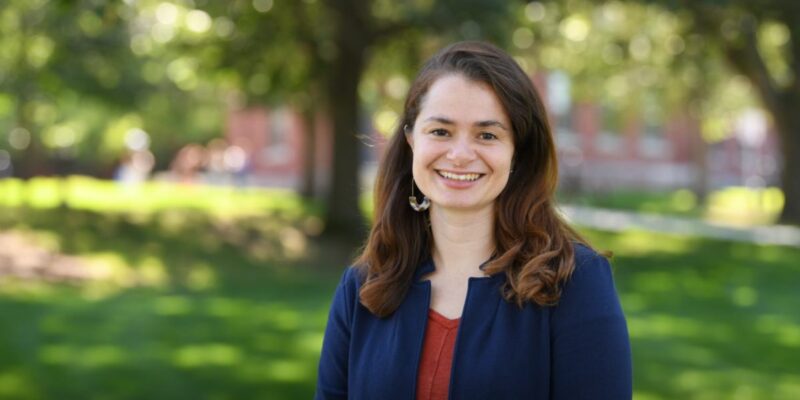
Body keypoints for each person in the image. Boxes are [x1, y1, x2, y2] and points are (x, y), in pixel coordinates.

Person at [315, 41, 631, 399]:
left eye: (487, 135)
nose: (461, 154)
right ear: (410, 141)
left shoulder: (575, 284)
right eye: (440, 131)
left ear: (518, 152)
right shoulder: (363, 289)